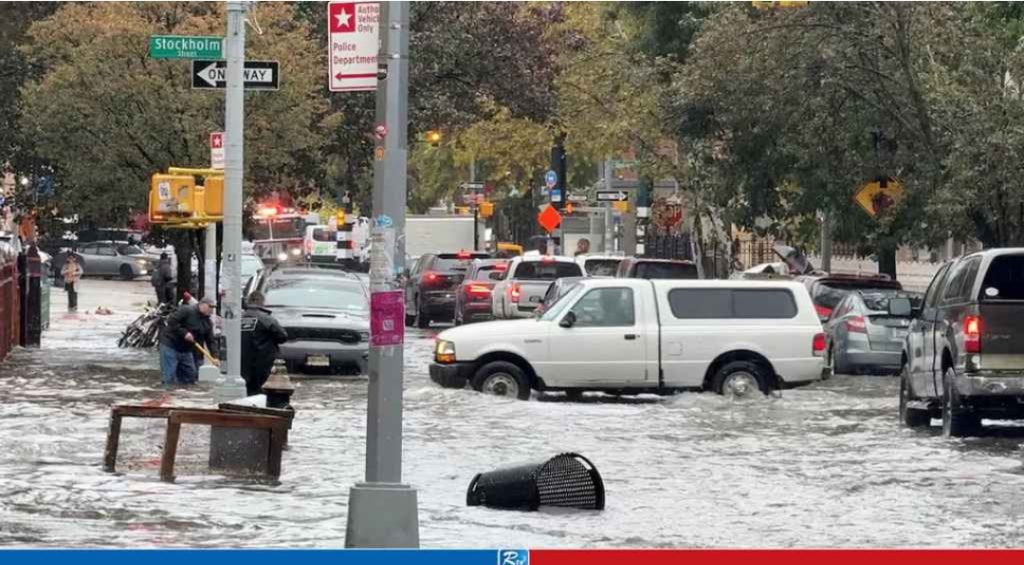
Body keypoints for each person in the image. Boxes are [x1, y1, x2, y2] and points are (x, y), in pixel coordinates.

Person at [159, 296, 219, 387]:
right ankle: (166, 395)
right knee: (169, 376)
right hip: (170, 345)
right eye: (210, 307)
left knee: (190, 375)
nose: (212, 310)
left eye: (214, 308)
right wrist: (185, 333)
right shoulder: (186, 310)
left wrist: (215, 356)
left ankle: (184, 396)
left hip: (186, 350)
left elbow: (211, 341)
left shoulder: (207, 322)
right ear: (202, 304)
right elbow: (171, 321)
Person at [240, 291, 289, 396]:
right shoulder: (267, 319)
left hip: (241, 362)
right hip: (263, 361)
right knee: (262, 392)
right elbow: (283, 336)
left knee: (246, 390)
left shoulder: (238, 318)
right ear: (262, 302)